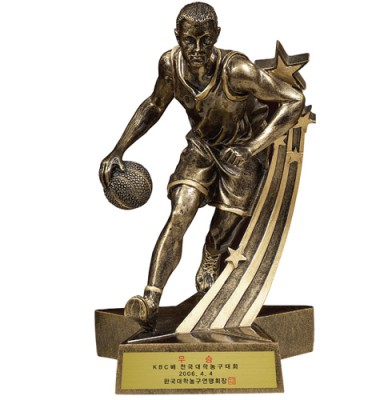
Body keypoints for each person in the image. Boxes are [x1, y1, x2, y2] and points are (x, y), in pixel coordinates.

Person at [99, 2, 304, 327]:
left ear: (216, 36)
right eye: (189, 40)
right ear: (177, 36)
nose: (196, 48)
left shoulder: (237, 70)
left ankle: (211, 255)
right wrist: (118, 149)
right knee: (180, 214)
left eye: (204, 40)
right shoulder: (170, 65)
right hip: (201, 150)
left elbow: (294, 99)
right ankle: (150, 299)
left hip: (239, 154)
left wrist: (252, 147)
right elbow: (154, 105)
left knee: (220, 232)